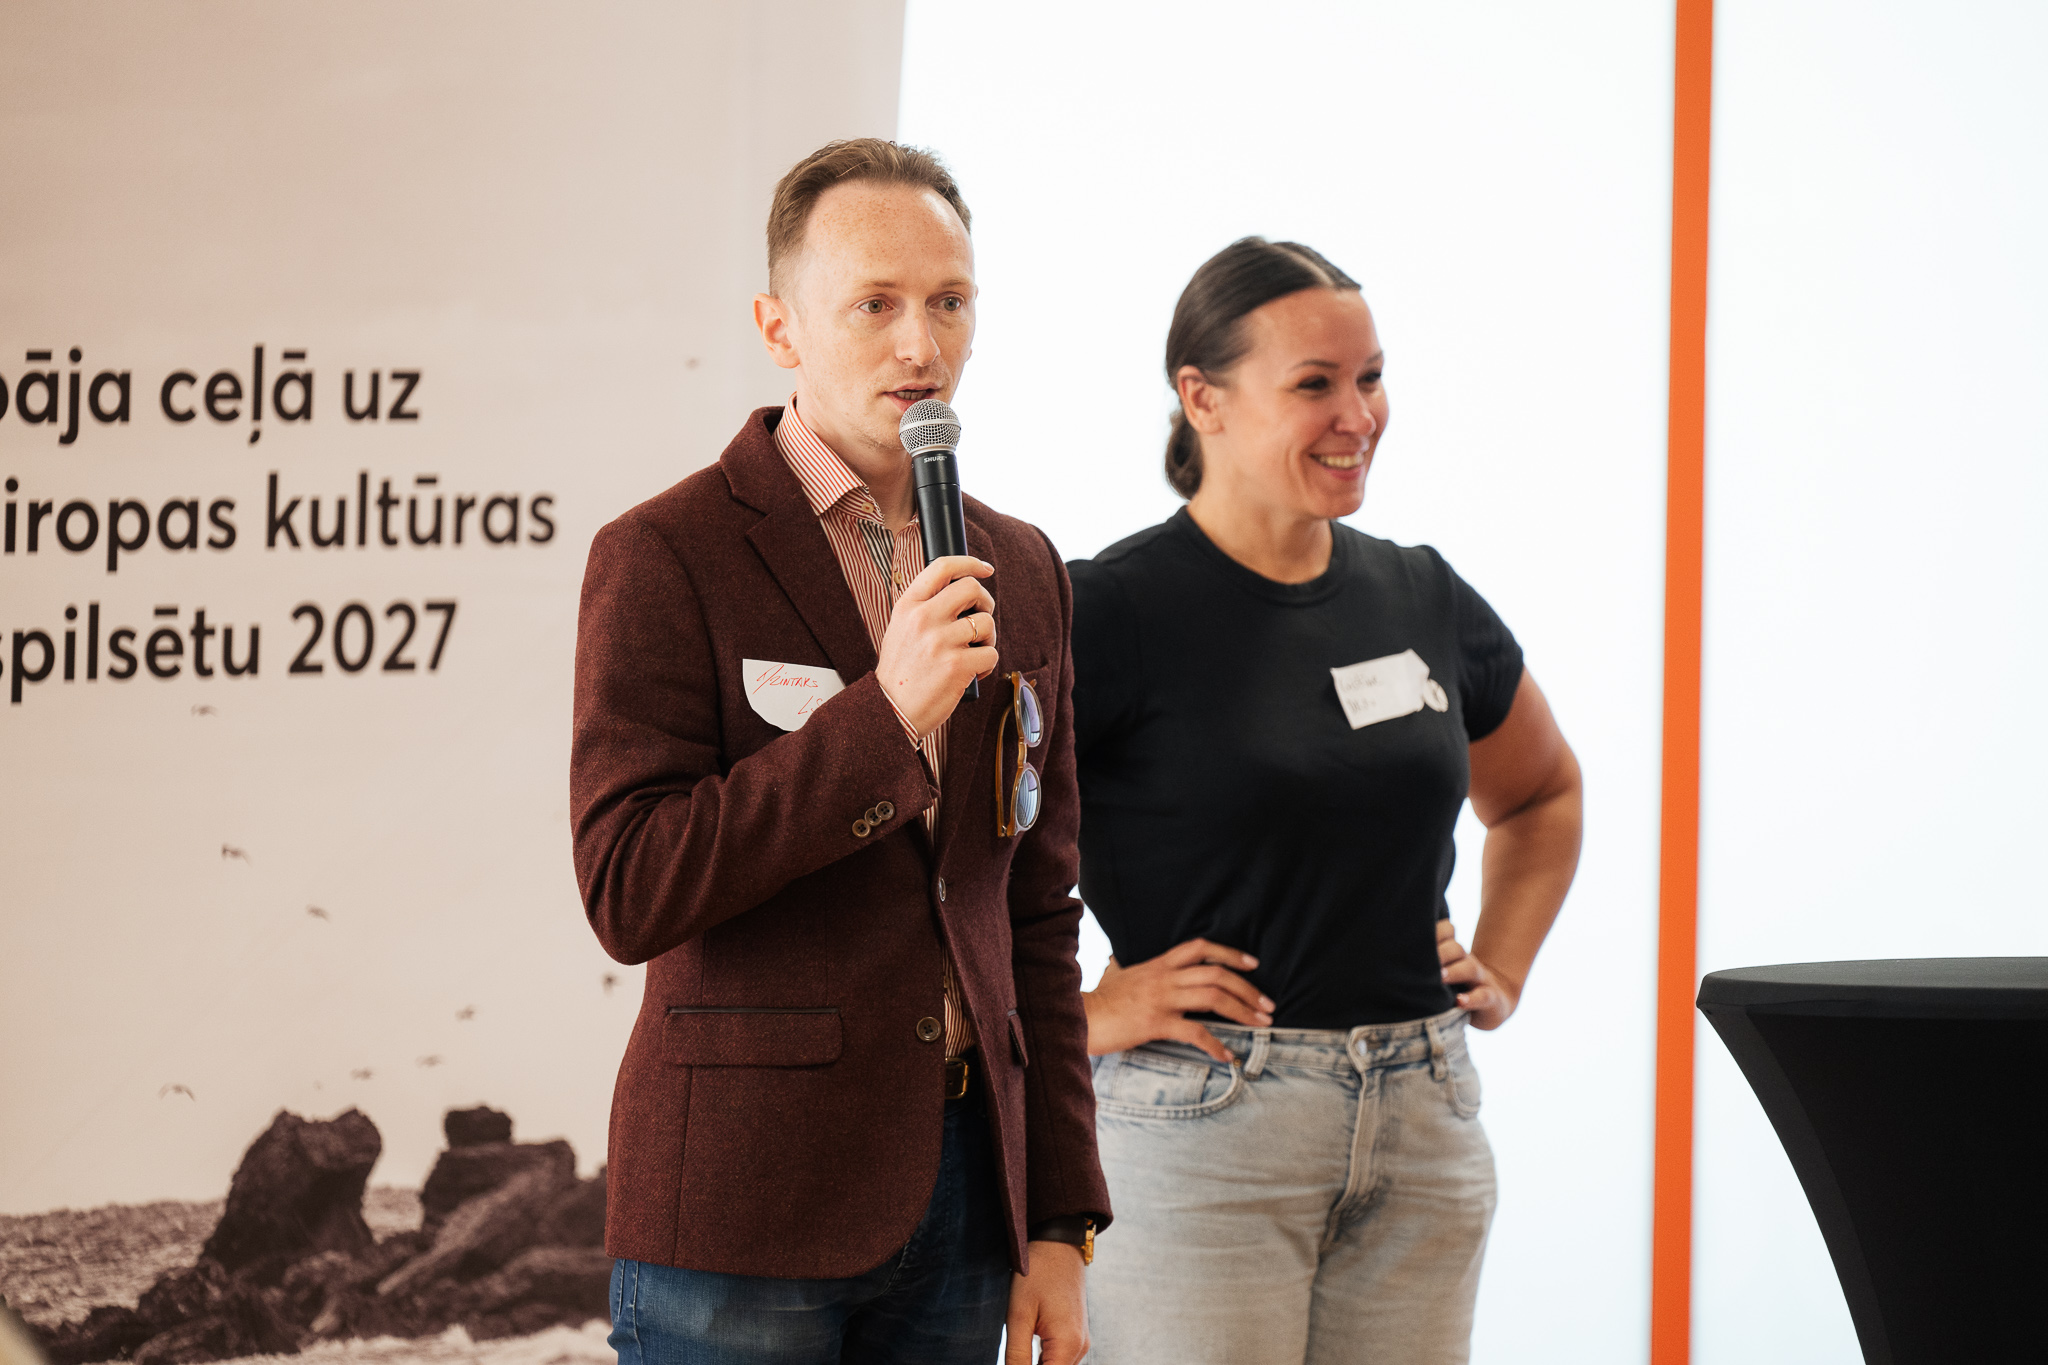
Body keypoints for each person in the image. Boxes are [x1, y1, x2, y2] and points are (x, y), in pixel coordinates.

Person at [570, 138, 1108, 1365]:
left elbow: (1036, 905)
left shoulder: (1020, 566)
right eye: (874, 304)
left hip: (967, 1198)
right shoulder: (666, 554)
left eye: (949, 302)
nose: (921, 346)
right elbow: (631, 885)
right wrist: (883, 718)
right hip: (741, 1211)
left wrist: (1058, 1218)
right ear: (779, 327)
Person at [1068, 237, 1583, 1364]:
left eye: (1371, 377)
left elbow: (1542, 792)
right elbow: (953, 854)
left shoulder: (1421, 592)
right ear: (1201, 397)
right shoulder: (1105, 611)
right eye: (1315, 384)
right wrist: (1078, 1013)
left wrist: (1501, 962)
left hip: (1423, 1117)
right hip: (1204, 1130)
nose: (1359, 415)